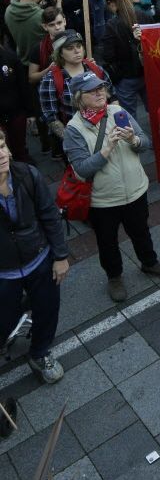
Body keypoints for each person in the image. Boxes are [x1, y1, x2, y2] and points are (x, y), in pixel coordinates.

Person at [62, 72, 160, 302]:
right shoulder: (74, 129)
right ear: (79, 97)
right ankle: (114, 277)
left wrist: (133, 140)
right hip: (103, 200)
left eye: (101, 88)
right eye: (92, 91)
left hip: (135, 190)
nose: (99, 93)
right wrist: (106, 149)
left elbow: (145, 142)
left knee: (141, 231)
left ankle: (150, 262)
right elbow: (82, 169)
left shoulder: (118, 112)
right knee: (107, 241)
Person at [0, 129, 69, 384]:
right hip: (4, 272)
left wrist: (60, 256)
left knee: (47, 309)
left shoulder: (28, 174)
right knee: (4, 317)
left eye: (2, 145)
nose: (2, 154)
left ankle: (40, 353)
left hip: (39, 258)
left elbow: (49, 215)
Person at [38, 30, 111, 158]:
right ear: (60, 53)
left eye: (79, 46)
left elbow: (113, 96)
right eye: (70, 48)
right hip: (77, 139)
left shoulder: (95, 69)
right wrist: (73, 141)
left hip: (107, 131)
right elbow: (51, 117)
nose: (77, 51)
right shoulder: (51, 79)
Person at [100, 0, 146, 118]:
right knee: (155, 109)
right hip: (147, 72)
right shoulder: (143, 15)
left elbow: (108, 55)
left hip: (126, 77)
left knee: (129, 117)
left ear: (111, 4)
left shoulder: (111, 25)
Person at [4, 0, 48, 68]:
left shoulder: (9, 10)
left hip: (22, 61)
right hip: (41, 64)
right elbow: (58, 33)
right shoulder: (41, 15)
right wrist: (58, 5)